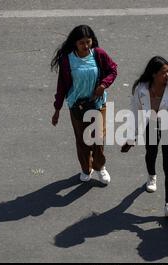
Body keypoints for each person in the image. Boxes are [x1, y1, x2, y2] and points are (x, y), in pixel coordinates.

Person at [121, 56, 168, 217]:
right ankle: (151, 175)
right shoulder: (141, 89)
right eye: (163, 72)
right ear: (153, 74)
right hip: (151, 126)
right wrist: (131, 136)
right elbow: (135, 112)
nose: (167, 75)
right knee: (151, 153)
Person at [51, 25, 118, 184]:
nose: (86, 46)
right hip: (77, 106)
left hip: (97, 103)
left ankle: (100, 167)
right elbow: (62, 85)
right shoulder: (67, 60)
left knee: (98, 138)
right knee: (82, 141)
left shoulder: (98, 54)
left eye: (88, 42)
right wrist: (57, 109)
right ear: (75, 43)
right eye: (82, 43)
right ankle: (86, 169)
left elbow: (113, 70)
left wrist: (103, 85)